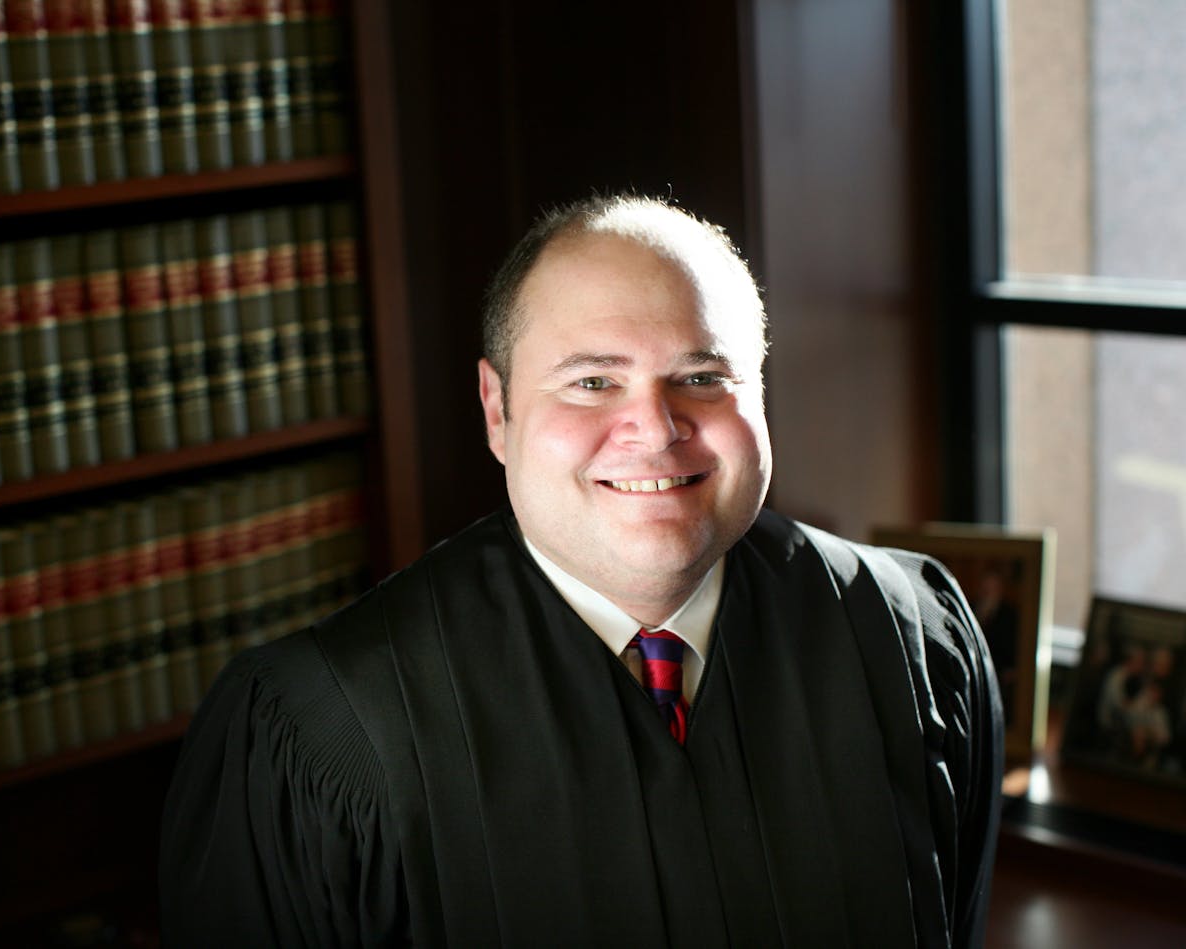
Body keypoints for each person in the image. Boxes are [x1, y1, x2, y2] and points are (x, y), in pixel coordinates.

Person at [160, 193, 1004, 947]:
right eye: (594, 381)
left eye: (702, 377)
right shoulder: (321, 728)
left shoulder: (911, 639)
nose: (655, 427)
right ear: (498, 409)